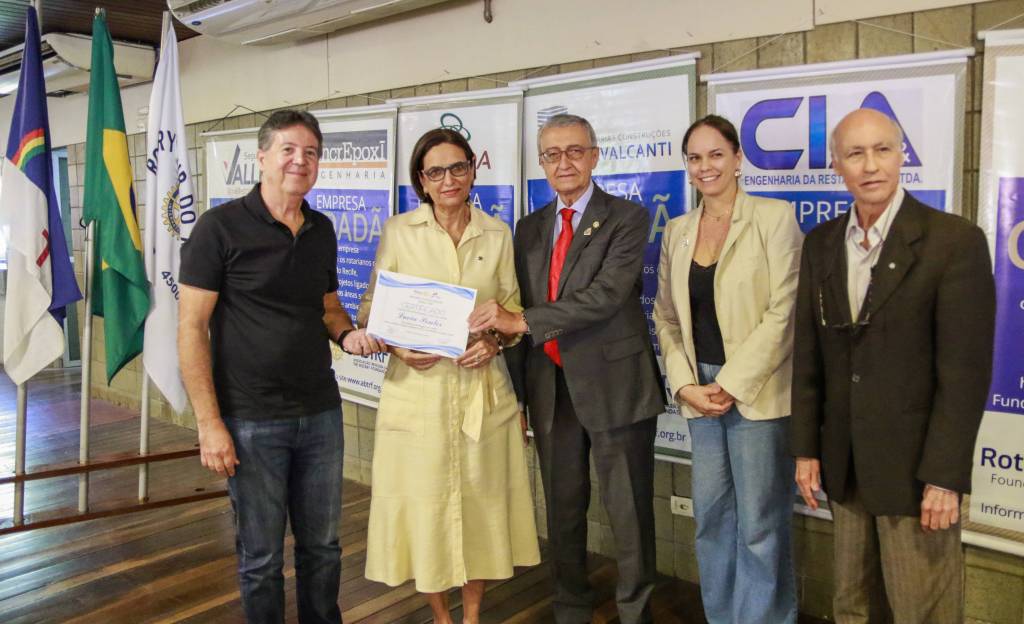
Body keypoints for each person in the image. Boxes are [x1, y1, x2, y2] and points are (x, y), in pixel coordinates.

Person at [178, 109, 384, 624]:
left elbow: (328, 308)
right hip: (250, 419)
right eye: (288, 149)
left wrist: (349, 335)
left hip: (320, 412)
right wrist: (209, 424)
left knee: (323, 548)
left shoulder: (321, 229)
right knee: (261, 557)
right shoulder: (219, 228)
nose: (300, 160)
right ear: (262, 157)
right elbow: (191, 329)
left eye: (310, 152)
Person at [791, 108, 996, 623]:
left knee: (920, 611)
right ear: (836, 165)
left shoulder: (953, 242)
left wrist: (944, 478)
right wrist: (807, 449)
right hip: (845, 465)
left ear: (902, 155)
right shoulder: (821, 244)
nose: (870, 165)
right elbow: (810, 356)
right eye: (855, 153)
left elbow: (964, 376)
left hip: (916, 475)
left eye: (882, 149)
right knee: (851, 606)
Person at [469, 113, 664, 624]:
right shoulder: (529, 228)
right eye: (552, 154)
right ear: (541, 163)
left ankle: (636, 613)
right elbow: (515, 305)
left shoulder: (627, 217)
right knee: (562, 509)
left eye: (575, 151)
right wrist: (518, 394)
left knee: (630, 514)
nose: (564, 163)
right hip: (550, 388)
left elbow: (605, 295)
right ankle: (571, 607)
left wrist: (522, 321)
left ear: (594, 156)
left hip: (616, 387)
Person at [358, 128, 540, 624]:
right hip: (418, 392)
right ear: (421, 180)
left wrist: (495, 340)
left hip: (481, 392)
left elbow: (513, 310)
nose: (448, 180)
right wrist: (398, 346)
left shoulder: (497, 233)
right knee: (427, 512)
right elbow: (371, 309)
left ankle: (473, 615)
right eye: (435, 171)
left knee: (479, 509)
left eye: (458, 167)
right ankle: (441, 616)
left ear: (473, 170)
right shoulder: (400, 231)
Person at [653, 114, 802, 623]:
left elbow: (785, 312)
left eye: (716, 154)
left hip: (757, 391)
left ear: (738, 158)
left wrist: (731, 383)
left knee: (760, 524)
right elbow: (666, 317)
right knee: (711, 519)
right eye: (695, 158)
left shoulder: (774, 218)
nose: (705, 166)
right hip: (701, 394)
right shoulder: (677, 231)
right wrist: (685, 384)